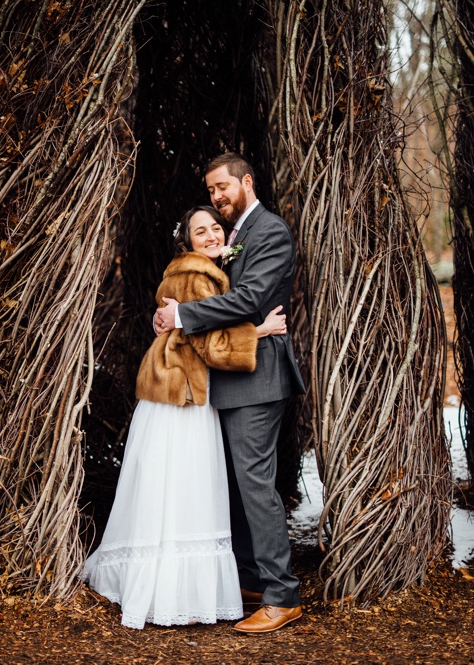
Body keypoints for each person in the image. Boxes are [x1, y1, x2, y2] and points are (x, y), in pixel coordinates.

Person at [83, 206, 288, 630]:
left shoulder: (193, 272)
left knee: (168, 490)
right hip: (183, 396)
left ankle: (168, 583)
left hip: (171, 395)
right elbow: (208, 345)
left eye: (216, 228)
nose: (212, 236)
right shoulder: (197, 275)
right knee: (184, 490)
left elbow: (188, 329)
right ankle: (173, 590)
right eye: (201, 231)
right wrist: (261, 331)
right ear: (187, 240)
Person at [154, 153, 307, 634]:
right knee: (239, 486)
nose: (217, 196)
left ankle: (283, 596)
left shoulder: (269, 232)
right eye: (211, 190)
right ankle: (251, 581)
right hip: (230, 376)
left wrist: (183, 317)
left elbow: (249, 299)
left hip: (259, 379)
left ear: (246, 179)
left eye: (223, 187)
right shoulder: (232, 239)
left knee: (257, 486)